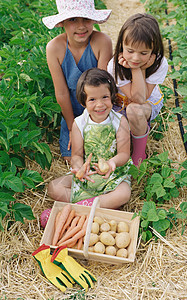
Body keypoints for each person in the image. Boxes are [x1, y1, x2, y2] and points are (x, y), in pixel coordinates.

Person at [47, 68, 133, 209]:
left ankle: (83, 205)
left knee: (124, 193)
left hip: (112, 175)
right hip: (88, 174)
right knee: (53, 188)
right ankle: (99, 203)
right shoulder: (79, 123)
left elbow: (124, 154)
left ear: (112, 96)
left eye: (104, 97)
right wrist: (80, 169)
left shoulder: (120, 121)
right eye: (92, 99)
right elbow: (76, 155)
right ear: (83, 102)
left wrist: (112, 163)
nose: (100, 104)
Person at [42, 0, 113, 163]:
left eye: (86, 19)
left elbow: (104, 90)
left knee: (100, 156)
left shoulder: (102, 42)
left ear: (93, 20)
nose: (81, 26)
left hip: (100, 110)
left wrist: (93, 126)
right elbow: (61, 93)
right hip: (72, 113)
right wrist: (72, 126)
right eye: (73, 20)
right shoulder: (54, 48)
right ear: (62, 23)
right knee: (70, 157)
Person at [107, 13, 168, 165]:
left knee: (135, 110)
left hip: (145, 104)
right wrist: (140, 66)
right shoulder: (114, 64)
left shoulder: (160, 63)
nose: (135, 58)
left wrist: (136, 69)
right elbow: (131, 96)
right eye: (130, 51)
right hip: (120, 103)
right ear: (121, 45)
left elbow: (140, 99)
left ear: (154, 49)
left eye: (143, 53)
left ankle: (139, 155)